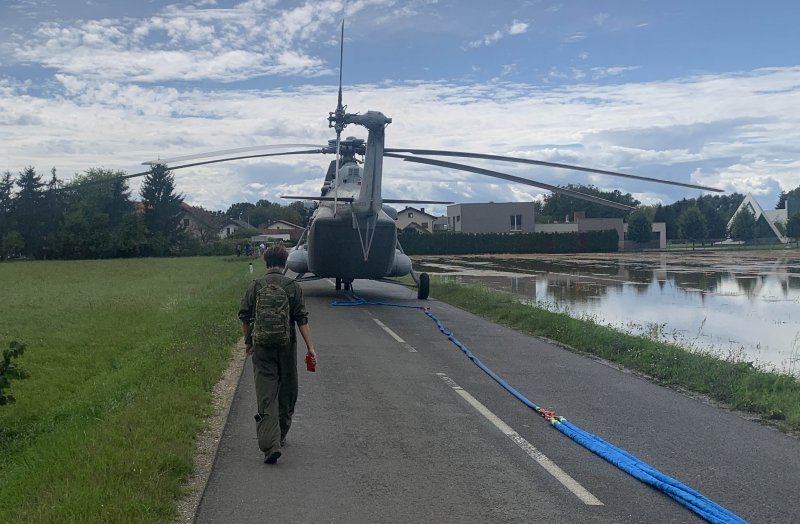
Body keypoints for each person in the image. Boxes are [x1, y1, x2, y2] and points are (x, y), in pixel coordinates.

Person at [238, 244, 317, 464]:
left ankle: (269, 445)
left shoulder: (255, 286)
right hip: (286, 346)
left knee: (266, 393)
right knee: (287, 391)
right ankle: (280, 434)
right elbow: (301, 319)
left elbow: (244, 316)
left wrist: (249, 341)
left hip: (262, 347)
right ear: (284, 264)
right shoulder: (293, 286)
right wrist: (310, 348)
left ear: (266, 262)